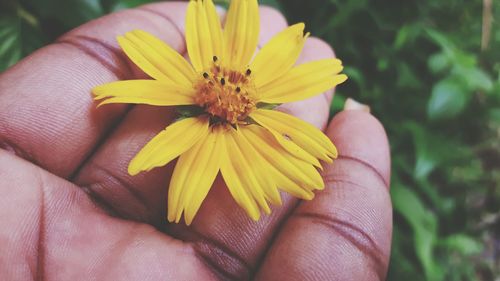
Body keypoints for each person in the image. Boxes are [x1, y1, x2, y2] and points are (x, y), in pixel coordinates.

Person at [0, 2, 392, 280]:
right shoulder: (194, 92)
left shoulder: (251, 114)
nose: (229, 87)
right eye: (226, 83)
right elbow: (132, 83)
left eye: (235, 86)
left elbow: (300, 160)